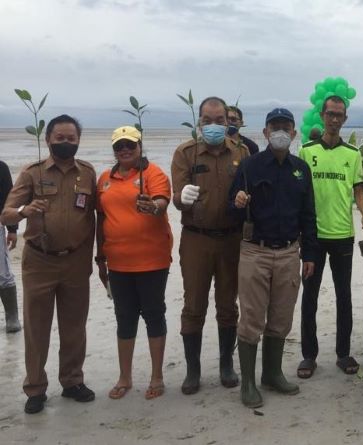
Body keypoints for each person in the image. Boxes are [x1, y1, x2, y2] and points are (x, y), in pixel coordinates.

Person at [1, 115, 97, 414]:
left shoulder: (88, 173)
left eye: (71, 138)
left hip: (77, 261)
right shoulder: (32, 173)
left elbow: (99, 214)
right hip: (39, 261)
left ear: (78, 140)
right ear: (48, 139)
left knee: (74, 326)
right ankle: (35, 388)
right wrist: (25, 210)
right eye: (60, 138)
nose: (66, 143)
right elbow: (6, 214)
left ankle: (71, 381)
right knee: (37, 328)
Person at [230, 107, 318, 408]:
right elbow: (232, 208)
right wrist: (238, 202)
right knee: (252, 317)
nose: (280, 132)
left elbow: (308, 214)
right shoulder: (249, 166)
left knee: (281, 316)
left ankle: (272, 373)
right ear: (265, 132)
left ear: (294, 134)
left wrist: (310, 254)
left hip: (290, 252)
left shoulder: (300, 169)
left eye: (286, 127)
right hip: (256, 250)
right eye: (274, 126)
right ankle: (249, 383)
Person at [171, 96, 249, 394]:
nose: (214, 126)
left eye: (220, 121)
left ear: (228, 122)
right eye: (208, 120)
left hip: (231, 239)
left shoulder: (240, 153)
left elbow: (247, 189)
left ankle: (226, 364)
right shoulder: (185, 153)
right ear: (198, 121)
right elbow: (177, 195)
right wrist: (181, 198)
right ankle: (193, 370)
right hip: (196, 239)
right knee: (194, 306)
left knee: (228, 305)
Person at [297, 96, 363, 379]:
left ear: (345, 117)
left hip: (343, 234)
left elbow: (359, 191)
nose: (335, 119)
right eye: (330, 114)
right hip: (313, 236)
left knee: (344, 296)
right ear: (322, 115)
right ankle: (308, 355)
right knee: (310, 298)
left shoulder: (352, 154)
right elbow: (300, 193)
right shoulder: (306, 151)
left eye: (340, 114)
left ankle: (343, 353)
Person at [95, 126, 173, 400]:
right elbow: (101, 219)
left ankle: (157, 376)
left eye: (130, 144)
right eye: (119, 146)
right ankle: (125, 376)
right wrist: (100, 257)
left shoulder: (153, 174)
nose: (124, 150)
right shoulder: (105, 178)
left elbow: (162, 201)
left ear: (140, 145)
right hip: (117, 263)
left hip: (152, 261)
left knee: (153, 315)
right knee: (124, 318)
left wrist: (153, 206)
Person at [0, 159, 21, 333]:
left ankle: (12, 316)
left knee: (3, 272)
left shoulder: (1, 167)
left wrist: (12, 229)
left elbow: (9, 199)